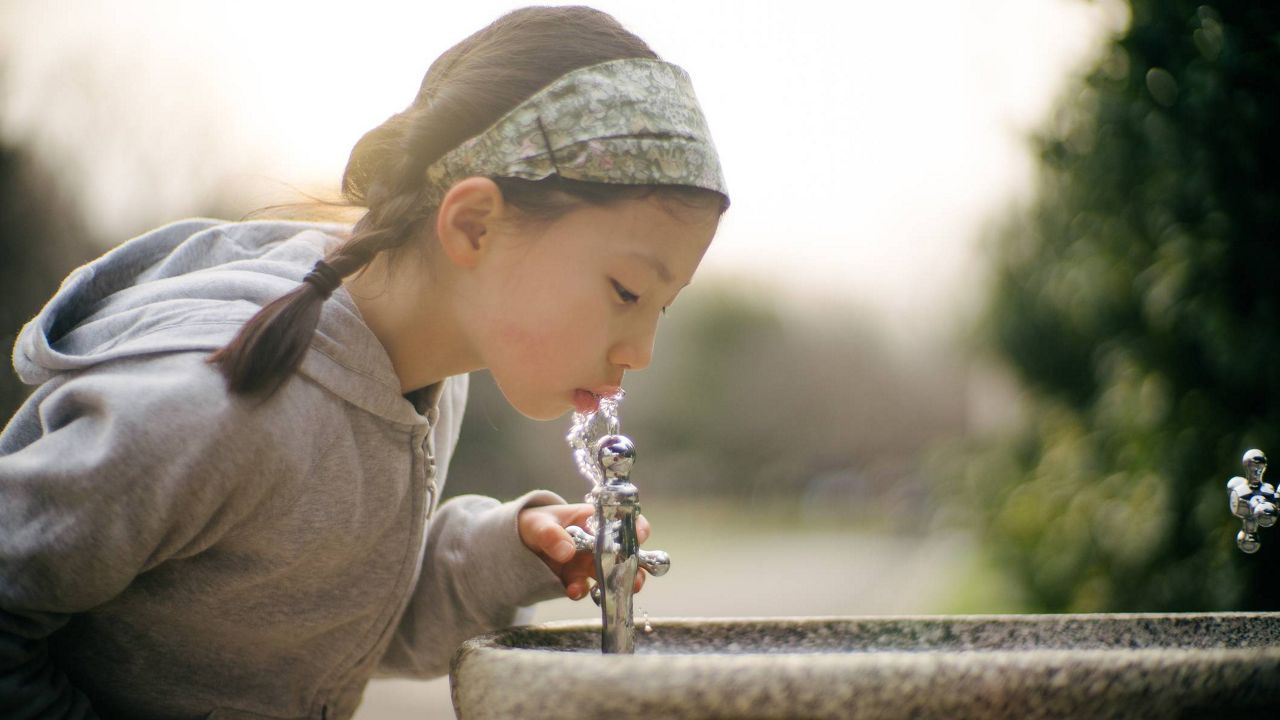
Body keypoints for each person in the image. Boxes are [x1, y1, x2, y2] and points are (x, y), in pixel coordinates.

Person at [0, 6, 729, 719]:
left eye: (659, 307)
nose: (640, 351)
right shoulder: (211, 410)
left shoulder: (421, 385)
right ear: (474, 225)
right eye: (627, 291)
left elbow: (316, 619)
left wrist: (499, 555)